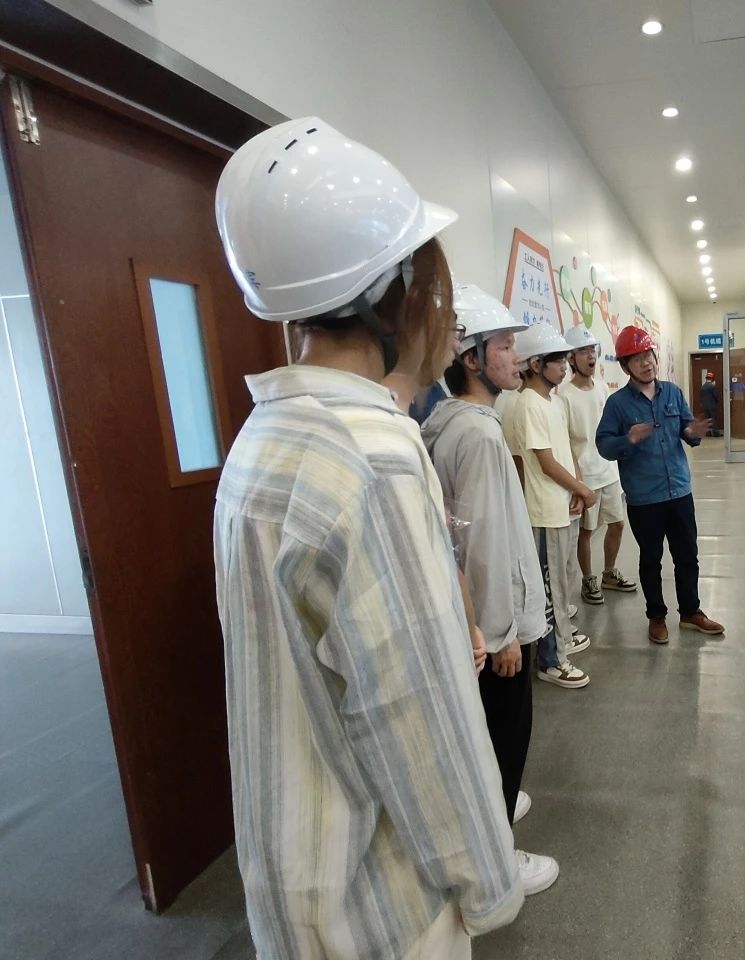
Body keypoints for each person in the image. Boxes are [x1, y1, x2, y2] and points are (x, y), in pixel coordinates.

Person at [213, 118, 520, 959]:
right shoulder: (373, 454)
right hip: (384, 906)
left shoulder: (263, 438)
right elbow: (416, 716)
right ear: (397, 297)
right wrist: (490, 884)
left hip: (296, 890)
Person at [421, 284, 561, 897]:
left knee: (486, 734)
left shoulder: (450, 421)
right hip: (496, 628)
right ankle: (498, 859)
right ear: (471, 358)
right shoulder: (477, 435)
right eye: (504, 346)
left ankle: (494, 807)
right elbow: (480, 545)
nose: (516, 356)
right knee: (504, 736)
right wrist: (501, 633)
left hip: (477, 619)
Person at [596, 325, 724, 644]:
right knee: (651, 558)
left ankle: (691, 612)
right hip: (644, 497)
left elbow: (686, 429)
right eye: (637, 359)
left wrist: (692, 432)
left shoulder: (673, 392)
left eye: (649, 356)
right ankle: (656, 616)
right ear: (626, 366)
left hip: (679, 490)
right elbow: (604, 445)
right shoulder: (617, 404)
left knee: (687, 554)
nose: (646, 363)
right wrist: (628, 439)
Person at [512, 323, 596, 687]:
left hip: (563, 506)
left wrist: (577, 489)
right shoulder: (527, 404)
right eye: (557, 360)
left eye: (565, 359)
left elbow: (565, 452)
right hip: (544, 511)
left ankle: (561, 643)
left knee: (562, 584)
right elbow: (545, 463)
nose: (564, 366)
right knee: (549, 589)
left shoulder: (554, 402)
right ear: (535, 364)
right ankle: (550, 661)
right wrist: (583, 490)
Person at [559, 324, 638, 605]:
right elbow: (566, 443)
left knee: (618, 524)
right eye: (583, 351)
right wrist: (578, 484)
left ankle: (608, 573)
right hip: (586, 476)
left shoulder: (603, 388)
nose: (590, 356)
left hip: (609, 471)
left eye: (592, 350)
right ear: (571, 358)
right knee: (586, 532)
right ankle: (588, 579)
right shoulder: (564, 396)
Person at [700, 370, 723, 436]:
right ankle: (715, 433)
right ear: (712, 379)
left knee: (707, 419)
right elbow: (715, 396)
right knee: (713, 418)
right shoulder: (712, 386)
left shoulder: (702, 386)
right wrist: (716, 401)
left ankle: (708, 433)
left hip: (704, 406)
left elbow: (701, 397)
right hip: (712, 405)